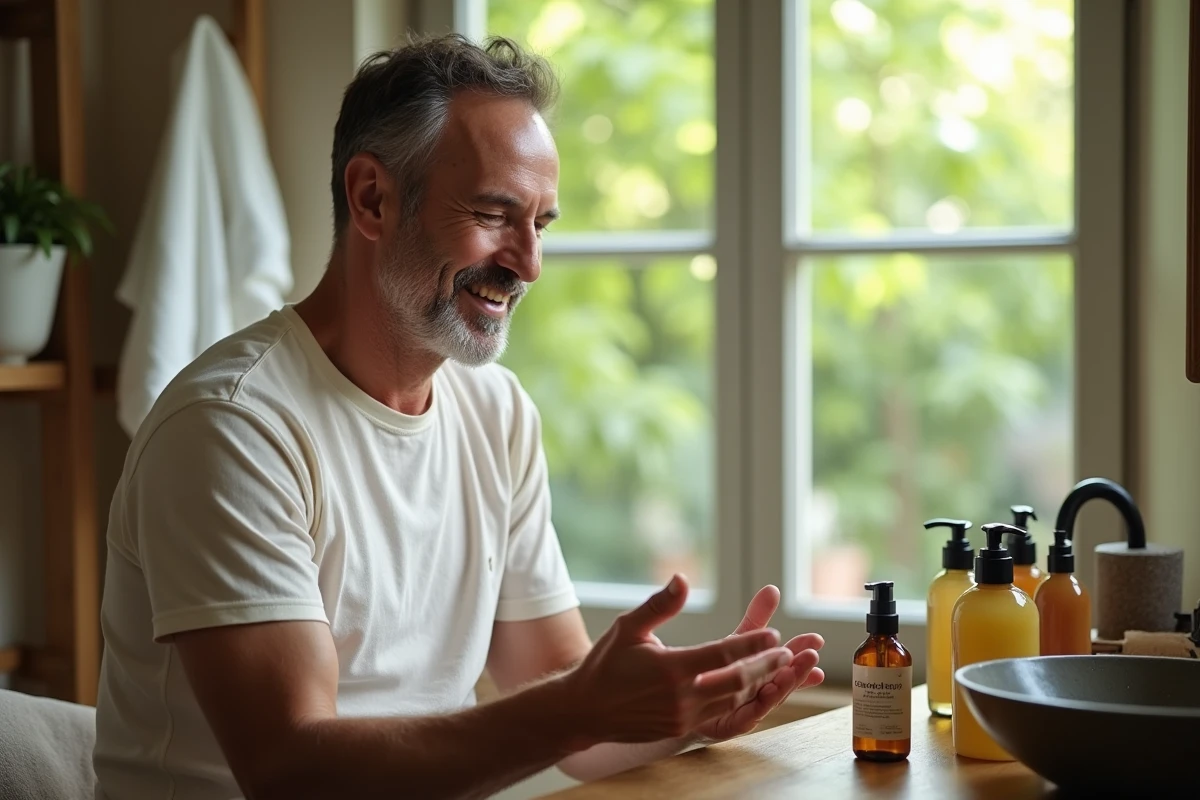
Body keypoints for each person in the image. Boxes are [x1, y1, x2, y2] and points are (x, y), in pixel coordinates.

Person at [93, 34, 825, 800]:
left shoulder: (496, 412)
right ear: (372, 198)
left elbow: (568, 708)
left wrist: (681, 711)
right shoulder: (234, 427)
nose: (527, 264)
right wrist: (577, 708)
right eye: (492, 213)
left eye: (540, 224)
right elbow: (291, 769)